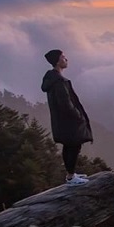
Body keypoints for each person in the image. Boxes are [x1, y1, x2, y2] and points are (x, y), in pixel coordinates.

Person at [41, 49, 93, 186]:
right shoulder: (58, 82)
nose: (66, 59)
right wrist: (78, 116)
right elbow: (65, 104)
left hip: (61, 121)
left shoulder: (52, 79)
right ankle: (70, 177)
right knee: (74, 146)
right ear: (58, 61)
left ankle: (71, 174)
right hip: (68, 121)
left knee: (69, 146)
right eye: (63, 57)